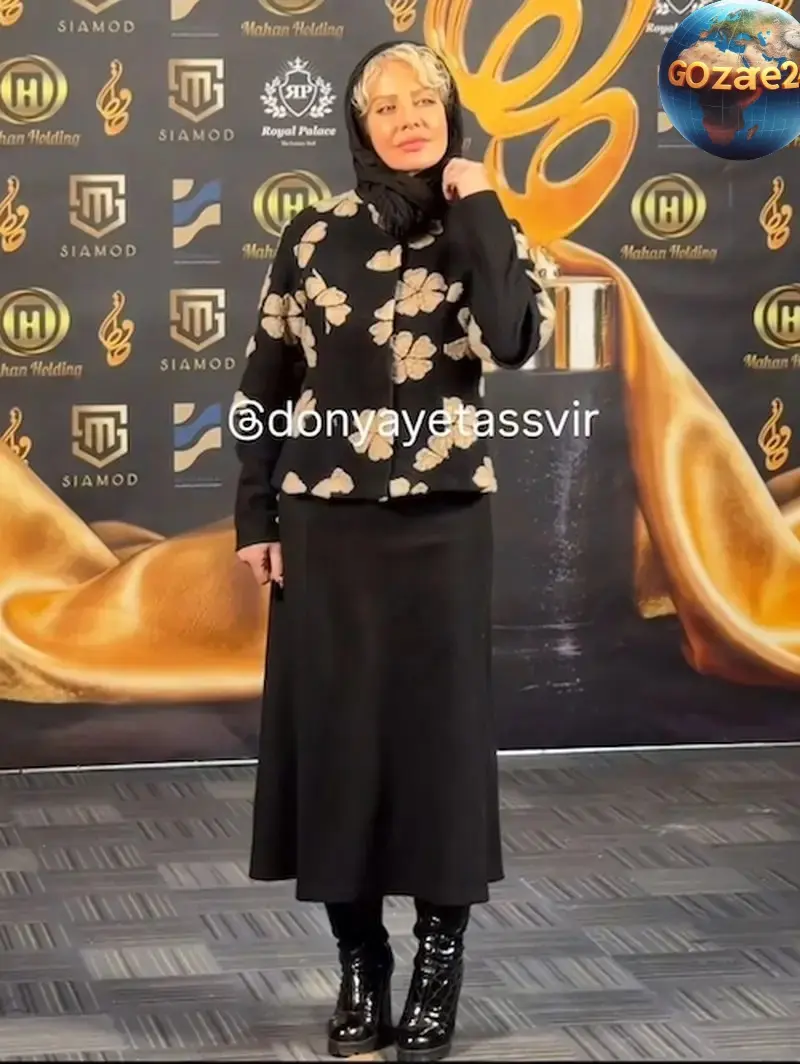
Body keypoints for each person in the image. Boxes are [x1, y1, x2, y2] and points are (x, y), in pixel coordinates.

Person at [232, 39, 555, 1062]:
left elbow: (510, 339)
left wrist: (480, 206)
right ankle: (360, 960)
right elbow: (265, 383)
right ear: (359, 125)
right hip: (324, 526)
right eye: (386, 105)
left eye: (426, 101)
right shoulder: (313, 234)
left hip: (440, 528)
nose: (409, 117)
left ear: (450, 117)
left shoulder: (489, 229)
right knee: (338, 743)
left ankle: (439, 960)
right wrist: (255, 518)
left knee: (437, 745)